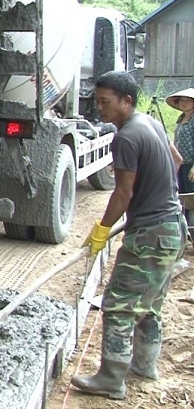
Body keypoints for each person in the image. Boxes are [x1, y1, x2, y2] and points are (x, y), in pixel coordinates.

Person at [72, 71, 185, 400]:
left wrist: (102, 229)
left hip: (150, 234)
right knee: (149, 306)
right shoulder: (150, 123)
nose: (100, 109)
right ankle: (144, 366)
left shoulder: (126, 137)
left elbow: (122, 193)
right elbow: (175, 160)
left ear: (127, 101)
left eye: (106, 102)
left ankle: (111, 379)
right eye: (97, 101)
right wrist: (158, 191)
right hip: (171, 227)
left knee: (120, 307)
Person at [166, 88, 194, 222]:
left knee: (191, 198)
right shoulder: (181, 119)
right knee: (182, 198)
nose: (184, 103)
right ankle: (186, 229)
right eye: (182, 100)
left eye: (188, 100)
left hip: (191, 165)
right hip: (181, 164)